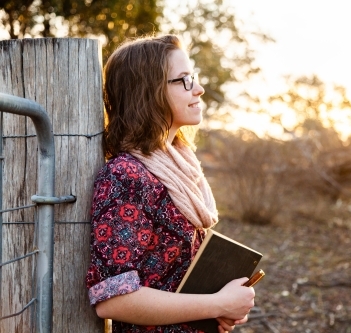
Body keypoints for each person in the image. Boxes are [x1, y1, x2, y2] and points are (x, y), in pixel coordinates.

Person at [86, 34, 255, 333]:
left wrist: (224, 306)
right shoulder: (126, 176)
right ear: (148, 92)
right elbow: (113, 300)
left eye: (194, 78)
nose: (199, 89)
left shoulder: (180, 165)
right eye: (184, 80)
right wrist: (217, 304)